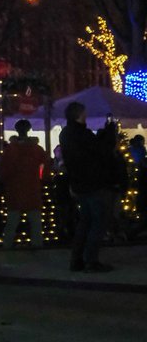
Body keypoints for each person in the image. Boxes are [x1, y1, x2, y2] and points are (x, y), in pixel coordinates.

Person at [58, 102, 114, 272]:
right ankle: (91, 261)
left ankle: (77, 259)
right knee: (98, 222)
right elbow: (102, 151)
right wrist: (109, 133)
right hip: (93, 183)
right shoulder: (83, 134)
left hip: (79, 183)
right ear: (80, 115)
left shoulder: (66, 133)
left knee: (85, 222)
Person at [0, 120, 51, 249]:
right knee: (35, 221)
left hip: (14, 189)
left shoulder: (11, 149)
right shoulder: (36, 149)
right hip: (32, 188)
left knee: (12, 220)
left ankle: (8, 245)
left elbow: (4, 169)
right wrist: (42, 179)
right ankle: (37, 244)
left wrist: (5, 180)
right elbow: (45, 166)